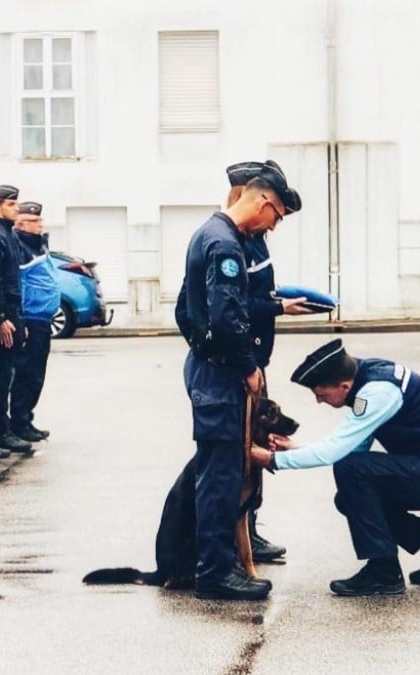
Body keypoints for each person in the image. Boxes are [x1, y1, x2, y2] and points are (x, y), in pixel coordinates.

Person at [251, 339, 420, 597]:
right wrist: (295, 449)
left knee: (352, 470)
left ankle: (384, 571)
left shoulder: (378, 392)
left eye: (321, 394)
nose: (318, 401)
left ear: (344, 386)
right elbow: (352, 447)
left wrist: (271, 460)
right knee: (348, 496)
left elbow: (339, 453)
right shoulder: (366, 379)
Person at [174, 163, 296, 601]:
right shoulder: (225, 245)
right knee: (221, 475)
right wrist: (246, 366)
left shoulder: (211, 233)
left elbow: (186, 313)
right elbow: (226, 317)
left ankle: (220, 564)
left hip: (210, 367)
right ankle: (215, 572)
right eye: (277, 216)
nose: (274, 225)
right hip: (221, 374)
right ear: (264, 202)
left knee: (220, 471)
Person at [226, 160, 308, 564]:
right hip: (245, 362)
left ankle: (250, 529)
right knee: (242, 451)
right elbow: (235, 305)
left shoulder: (253, 239)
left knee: (256, 446)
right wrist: (277, 307)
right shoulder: (233, 241)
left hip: (256, 358)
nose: (273, 221)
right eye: (273, 209)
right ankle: (240, 534)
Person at [0, 185, 29, 453]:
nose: (17, 209)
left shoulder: (8, 234)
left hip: (13, 312)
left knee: (7, 375)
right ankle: (0, 430)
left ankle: (5, 427)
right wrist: (1, 318)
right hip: (4, 316)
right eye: (11, 205)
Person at [10, 202, 59, 444]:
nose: (41, 225)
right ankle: (19, 421)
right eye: (36, 221)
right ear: (21, 224)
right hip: (31, 317)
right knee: (27, 373)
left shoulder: (37, 245)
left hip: (42, 318)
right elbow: (18, 284)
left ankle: (26, 418)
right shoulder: (19, 246)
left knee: (36, 374)